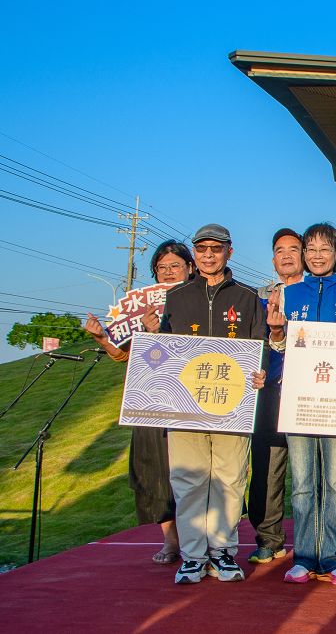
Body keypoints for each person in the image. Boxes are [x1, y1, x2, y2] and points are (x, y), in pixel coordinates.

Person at [159, 224, 267, 585]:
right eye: (202, 248)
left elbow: (260, 346)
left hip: (232, 405)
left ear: (229, 252)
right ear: (194, 253)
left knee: (229, 479)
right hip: (185, 406)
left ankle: (221, 551)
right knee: (188, 480)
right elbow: (160, 352)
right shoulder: (175, 298)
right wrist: (150, 334)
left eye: (216, 249)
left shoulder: (247, 297)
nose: (208, 255)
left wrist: (260, 372)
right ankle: (192, 555)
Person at [267, 223, 336, 586]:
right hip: (298, 400)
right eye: (310, 249)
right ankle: (304, 556)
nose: (317, 255)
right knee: (303, 482)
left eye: (325, 249)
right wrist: (276, 332)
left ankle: (333, 556)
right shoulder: (288, 294)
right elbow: (279, 348)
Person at [84, 240, 194, 566]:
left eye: (175, 266)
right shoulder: (142, 308)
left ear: (190, 268)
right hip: (152, 400)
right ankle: (171, 540)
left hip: (193, 399)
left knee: (195, 472)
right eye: (162, 268)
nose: (169, 272)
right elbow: (124, 355)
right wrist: (102, 338)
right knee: (154, 470)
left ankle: (198, 539)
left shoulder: (202, 302)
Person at [247, 228, 303, 565]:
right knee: (267, 467)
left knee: (310, 471)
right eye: (280, 250)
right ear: (273, 259)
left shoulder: (316, 295)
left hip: (308, 392)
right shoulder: (257, 299)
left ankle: (314, 541)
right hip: (269, 391)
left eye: (293, 249)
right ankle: (268, 539)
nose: (286, 255)